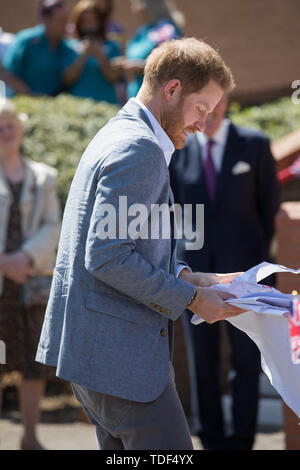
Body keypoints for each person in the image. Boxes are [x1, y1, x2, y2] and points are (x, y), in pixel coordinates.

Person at [36, 37, 247, 450]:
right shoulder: (140, 147)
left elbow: (127, 244)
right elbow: (108, 256)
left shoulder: (120, 133)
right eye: (201, 108)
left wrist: (194, 277)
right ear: (171, 90)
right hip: (120, 362)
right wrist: (190, 298)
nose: (203, 124)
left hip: (98, 357)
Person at [169, 95, 281, 450]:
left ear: (226, 101)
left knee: (247, 358)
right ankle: (212, 441)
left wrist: (256, 266)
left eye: (215, 103)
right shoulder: (179, 150)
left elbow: (269, 209)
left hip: (246, 275)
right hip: (194, 275)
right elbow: (172, 213)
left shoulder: (255, 145)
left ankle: (243, 440)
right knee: (203, 361)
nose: (210, 113)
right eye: (201, 105)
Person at [0, 99, 61, 450]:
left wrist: (23, 257)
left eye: (10, 125)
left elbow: (54, 225)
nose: (5, 133)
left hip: (31, 281)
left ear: (20, 129)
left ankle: (30, 437)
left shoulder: (44, 177)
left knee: (31, 363)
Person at [2, 0, 74, 97]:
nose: (66, 25)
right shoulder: (26, 41)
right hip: (24, 104)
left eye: (66, 20)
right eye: (60, 20)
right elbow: (7, 72)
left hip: (55, 106)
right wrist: (29, 95)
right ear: (46, 19)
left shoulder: (67, 47)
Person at [116, 0, 184, 100]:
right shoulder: (142, 31)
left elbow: (173, 64)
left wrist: (141, 67)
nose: (133, 9)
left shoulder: (166, 30)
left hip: (157, 99)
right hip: (136, 94)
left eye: (136, 5)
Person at [62, 0, 121, 103]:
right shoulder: (69, 46)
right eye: (84, 20)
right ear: (78, 22)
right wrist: (83, 55)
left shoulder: (112, 46)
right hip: (78, 104)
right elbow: (67, 80)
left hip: (107, 104)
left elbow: (114, 77)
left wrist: (101, 56)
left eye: (93, 19)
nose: (89, 24)